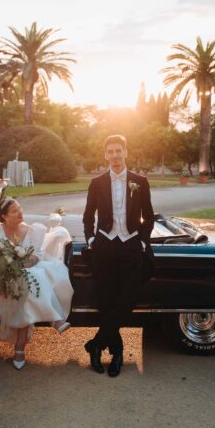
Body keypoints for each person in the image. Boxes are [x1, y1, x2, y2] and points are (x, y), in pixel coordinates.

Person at [0, 197, 73, 369]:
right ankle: (54, 320)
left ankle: (20, 347)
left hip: (28, 269)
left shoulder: (34, 230)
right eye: (14, 211)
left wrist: (22, 265)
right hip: (2, 277)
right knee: (27, 281)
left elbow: (38, 255)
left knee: (31, 278)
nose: (20, 212)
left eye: (20, 208)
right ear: (4, 216)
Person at [83, 134, 155, 377]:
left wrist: (143, 241)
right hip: (105, 245)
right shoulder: (96, 182)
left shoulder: (140, 181)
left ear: (126, 152)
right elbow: (87, 215)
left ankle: (96, 344)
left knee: (129, 297)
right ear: (105, 155)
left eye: (118, 150)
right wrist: (92, 239)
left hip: (131, 245)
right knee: (106, 300)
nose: (114, 155)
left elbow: (149, 216)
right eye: (110, 151)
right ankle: (116, 353)